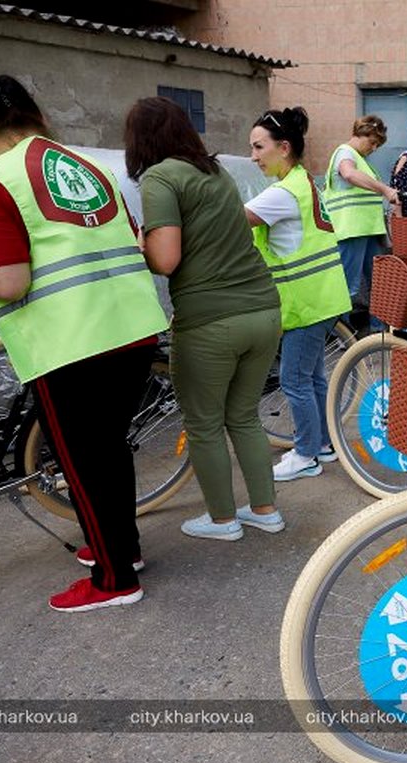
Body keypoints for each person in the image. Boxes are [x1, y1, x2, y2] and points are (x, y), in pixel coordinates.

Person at [0, 76, 167, 611]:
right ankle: (120, 551)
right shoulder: (91, 168)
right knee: (108, 450)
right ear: (37, 117)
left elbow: (7, 282)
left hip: (70, 341)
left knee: (84, 462)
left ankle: (115, 581)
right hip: (132, 329)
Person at [125, 97, 285, 540]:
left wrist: (139, 243)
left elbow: (168, 258)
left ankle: (222, 520)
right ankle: (265, 510)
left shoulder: (160, 178)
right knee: (244, 416)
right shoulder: (216, 173)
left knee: (204, 423)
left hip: (210, 320)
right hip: (263, 311)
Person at [245, 107, 351, 481]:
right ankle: (322, 443)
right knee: (313, 377)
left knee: (294, 379)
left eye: (259, 147)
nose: (254, 156)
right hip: (323, 297)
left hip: (307, 302)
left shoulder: (283, 193)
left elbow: (233, 220)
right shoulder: (304, 182)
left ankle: (305, 454)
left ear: (284, 147)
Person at [323, 115, 398, 333]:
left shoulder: (359, 158)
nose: (374, 148)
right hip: (351, 230)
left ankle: (377, 331)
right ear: (362, 134)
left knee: (377, 283)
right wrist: (384, 189)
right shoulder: (345, 153)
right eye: (372, 142)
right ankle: (341, 334)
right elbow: (348, 173)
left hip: (367, 230)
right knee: (348, 287)